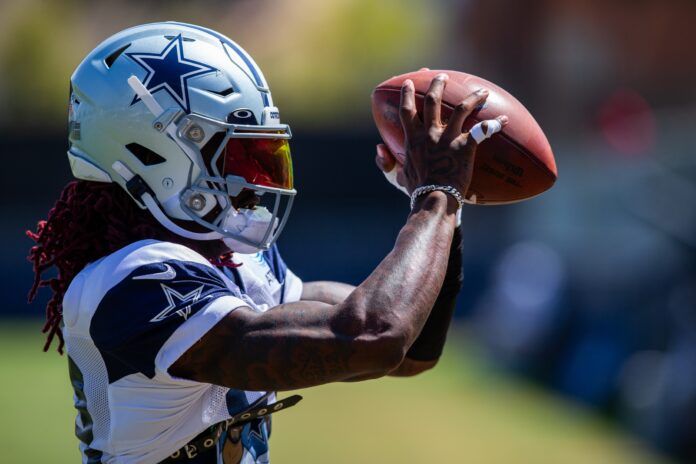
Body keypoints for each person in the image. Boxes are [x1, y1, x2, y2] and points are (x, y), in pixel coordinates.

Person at [27, 22, 506, 464]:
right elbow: (372, 337)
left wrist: (449, 211)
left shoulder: (233, 261)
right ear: (152, 152)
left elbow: (414, 348)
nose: (254, 181)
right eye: (236, 153)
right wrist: (435, 198)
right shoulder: (133, 283)